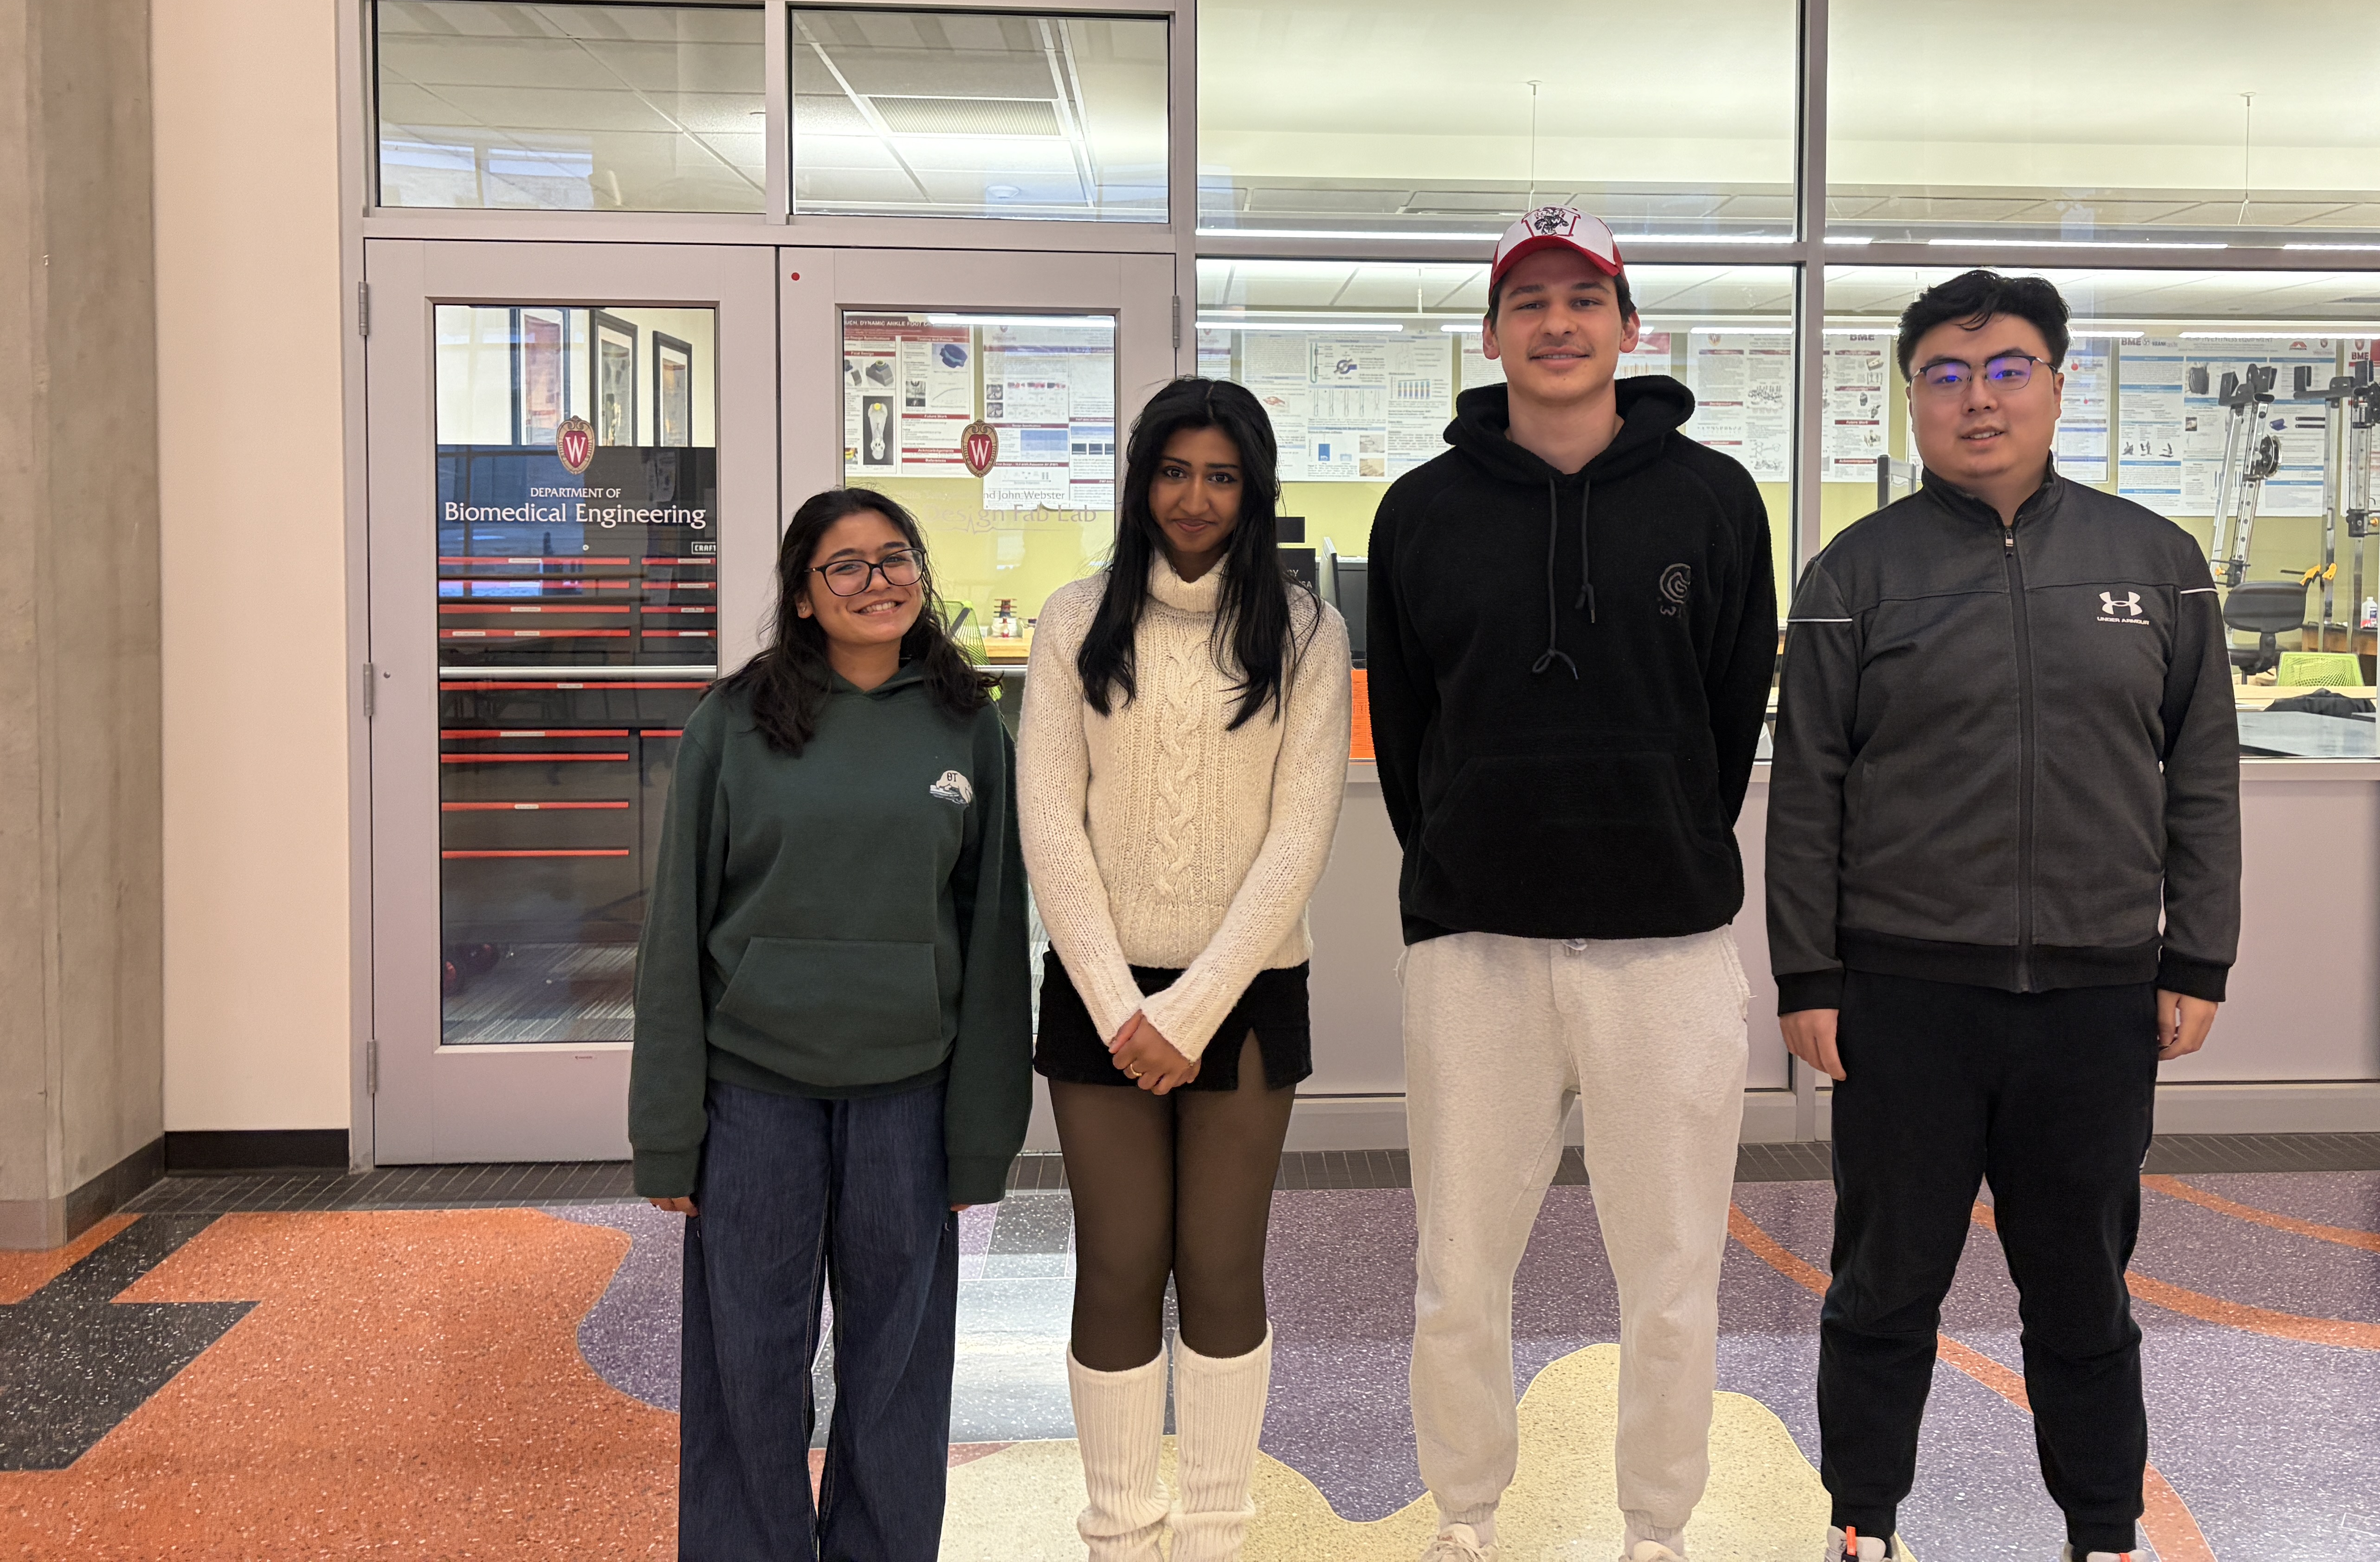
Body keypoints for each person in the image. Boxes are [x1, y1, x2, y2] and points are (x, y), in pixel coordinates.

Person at [1764, 271, 2240, 1562]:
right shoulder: (1855, 573)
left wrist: (2198, 948)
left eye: (2010, 368)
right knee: (1883, 1283)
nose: (1980, 398)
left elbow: (2199, 773)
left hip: (2095, 996)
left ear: (2058, 384)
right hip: (1903, 996)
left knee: (2084, 1290)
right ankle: (1863, 1520)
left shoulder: (2158, 564)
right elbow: (1807, 786)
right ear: (1914, 396)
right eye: (1948, 375)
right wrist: (1806, 972)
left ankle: (2104, 1530)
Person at [1367, 208, 1781, 1562]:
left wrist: (1647, 831)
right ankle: (1467, 1516)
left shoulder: (1713, 497)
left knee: (1671, 1273)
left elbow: (1727, 715)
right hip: (1475, 945)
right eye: (1529, 301)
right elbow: (1412, 726)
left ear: (1627, 323)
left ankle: (1656, 1528)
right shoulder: (1420, 510)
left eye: (1583, 298)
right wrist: (1470, 849)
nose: (1557, 322)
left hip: (1666, 946)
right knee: (1456, 1271)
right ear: (1490, 335)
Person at [629, 486, 1031, 1562]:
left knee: (897, 1369)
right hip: (753, 1094)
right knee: (747, 1367)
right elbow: (675, 935)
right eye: (844, 566)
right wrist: (668, 1129)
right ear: (803, 596)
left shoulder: (968, 725)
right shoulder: (733, 724)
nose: (876, 581)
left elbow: (995, 936)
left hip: (909, 1092)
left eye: (894, 558)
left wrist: (984, 1132)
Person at [1019, 377, 1351, 1562]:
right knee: (1116, 1262)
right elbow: (1051, 824)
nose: (1196, 498)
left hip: (1249, 995)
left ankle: (1215, 1531)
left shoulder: (1307, 631)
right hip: (1100, 999)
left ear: (1253, 489)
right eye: (1175, 472)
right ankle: (1120, 1535)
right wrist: (1123, 1009)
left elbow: (1300, 835)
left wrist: (1193, 1009)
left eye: (1221, 476)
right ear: (1140, 481)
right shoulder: (1074, 619)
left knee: (1219, 1264)